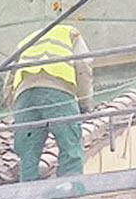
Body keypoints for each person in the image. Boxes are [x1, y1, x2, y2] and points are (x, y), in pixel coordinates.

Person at [6, 21, 93, 182]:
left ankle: (28, 190)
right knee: (69, 139)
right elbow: (83, 64)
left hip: (24, 95)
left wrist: (16, 110)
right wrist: (84, 102)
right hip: (56, 88)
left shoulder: (26, 41)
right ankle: (70, 184)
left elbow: (9, 80)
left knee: (28, 149)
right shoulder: (71, 33)